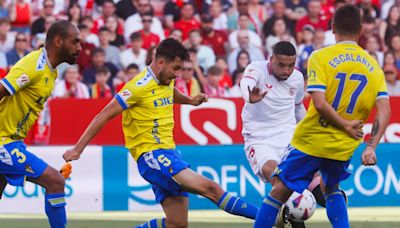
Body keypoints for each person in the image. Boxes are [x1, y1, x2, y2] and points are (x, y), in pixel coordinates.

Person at [63, 38, 259, 228]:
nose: (178, 75)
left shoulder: (166, 80)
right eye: (175, 69)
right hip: (152, 155)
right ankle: (271, 218)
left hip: (169, 152)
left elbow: (170, 92)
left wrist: (190, 101)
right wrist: (78, 149)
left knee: (177, 223)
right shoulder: (137, 88)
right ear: (160, 62)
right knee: (212, 189)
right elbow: (103, 115)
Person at [254, 4, 391, 228]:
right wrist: (371, 147)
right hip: (343, 146)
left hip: (311, 140)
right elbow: (385, 110)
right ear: (361, 31)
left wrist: (345, 124)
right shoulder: (374, 65)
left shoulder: (320, 56)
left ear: (332, 27)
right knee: (332, 188)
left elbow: (318, 102)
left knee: (279, 190)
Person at [0, 20, 81, 228]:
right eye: (75, 42)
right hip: (3, 142)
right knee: (55, 182)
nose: (79, 48)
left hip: (13, 141)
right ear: (58, 41)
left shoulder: (51, 72)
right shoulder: (34, 64)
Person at [241, 41, 324, 228]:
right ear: (271, 60)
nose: (286, 70)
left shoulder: (296, 78)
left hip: (289, 138)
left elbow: (297, 108)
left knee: (320, 189)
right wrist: (248, 96)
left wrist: (309, 129)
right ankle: (280, 212)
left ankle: (336, 206)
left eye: (290, 65)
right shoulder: (257, 69)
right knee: (281, 181)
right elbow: (246, 83)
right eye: (281, 65)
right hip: (259, 140)